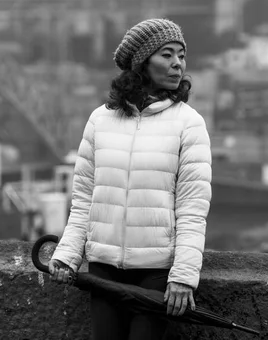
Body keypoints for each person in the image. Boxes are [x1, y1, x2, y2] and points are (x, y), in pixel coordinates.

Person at [48, 18, 212, 340]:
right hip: (103, 267)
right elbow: (84, 199)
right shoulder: (100, 120)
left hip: (155, 272)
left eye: (181, 54)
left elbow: (193, 208)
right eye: (167, 55)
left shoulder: (189, 124)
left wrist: (183, 275)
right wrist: (67, 254)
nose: (177, 63)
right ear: (142, 62)